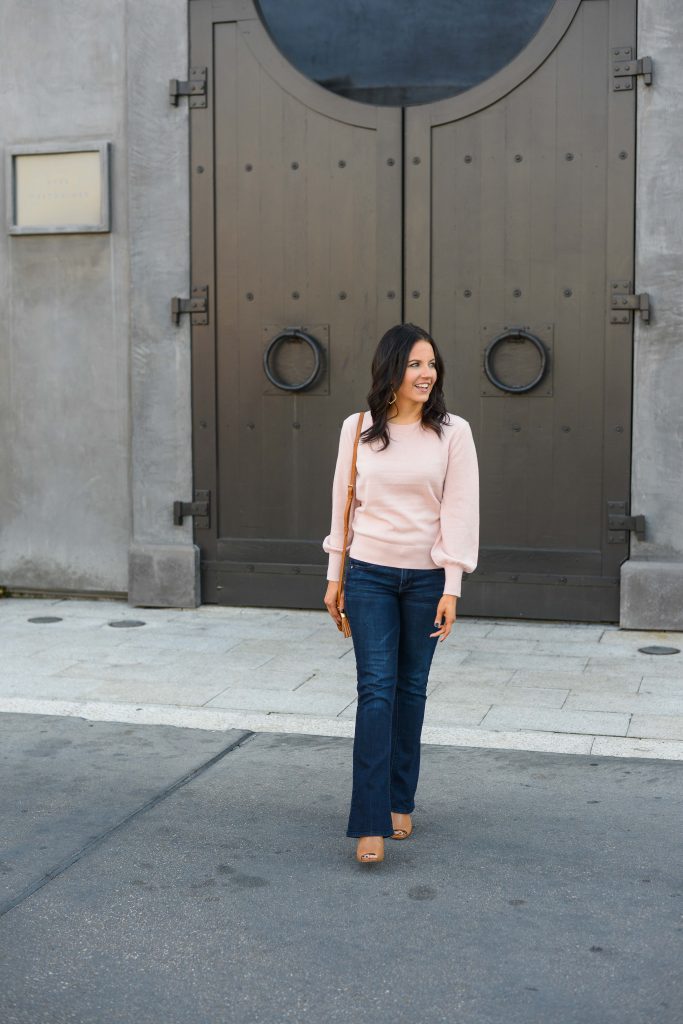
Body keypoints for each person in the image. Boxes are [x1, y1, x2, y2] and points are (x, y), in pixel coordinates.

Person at [322, 323, 480, 864]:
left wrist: (452, 586)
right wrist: (333, 575)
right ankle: (369, 819)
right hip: (367, 573)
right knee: (377, 692)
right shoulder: (358, 428)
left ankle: (399, 798)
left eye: (431, 364)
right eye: (415, 364)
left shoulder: (453, 432)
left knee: (411, 690)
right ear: (391, 370)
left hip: (426, 580)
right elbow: (343, 509)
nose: (427, 373)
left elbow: (459, 512)